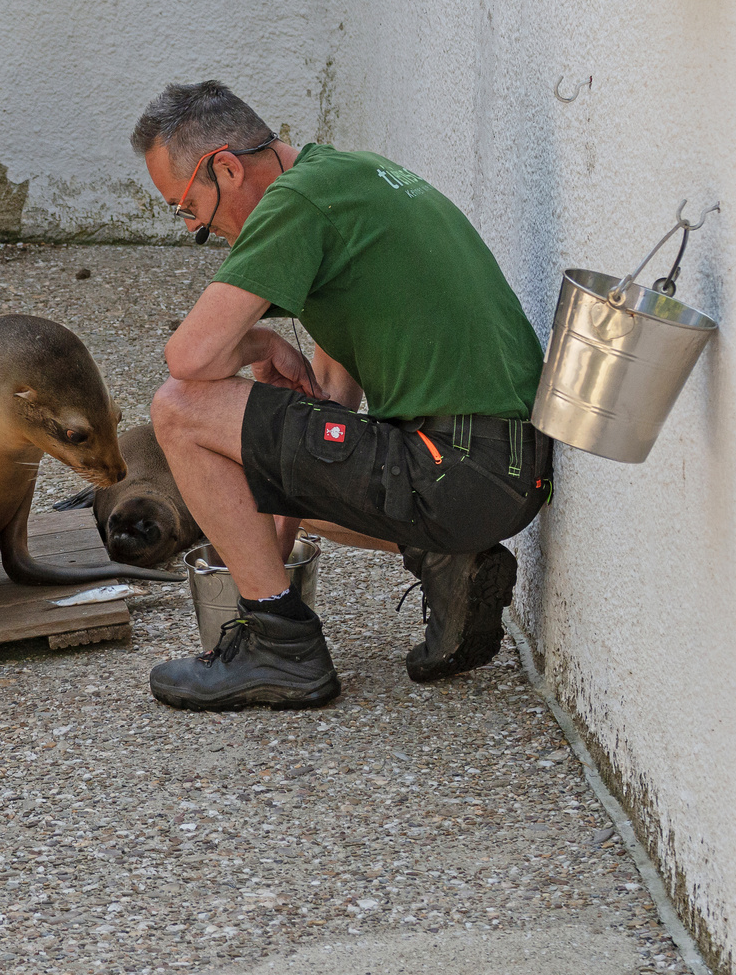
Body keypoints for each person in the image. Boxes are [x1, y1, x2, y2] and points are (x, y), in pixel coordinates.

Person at [133, 81, 551, 710]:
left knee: (180, 409)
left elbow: (188, 360)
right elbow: (327, 408)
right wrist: (260, 576)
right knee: (252, 439)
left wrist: (259, 346)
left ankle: (283, 654)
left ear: (224, 166)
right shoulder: (346, 178)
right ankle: (440, 560)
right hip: (505, 470)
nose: (196, 227)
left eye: (186, 206)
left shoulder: (297, 205)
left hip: (455, 472)